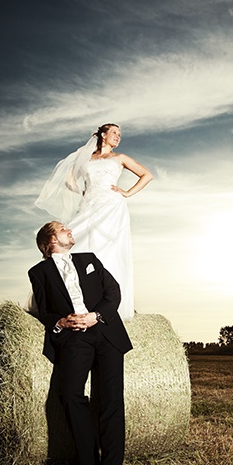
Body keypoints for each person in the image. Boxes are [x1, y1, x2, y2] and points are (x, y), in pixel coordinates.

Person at [28, 221, 133, 465]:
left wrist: (96, 316)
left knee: (111, 402)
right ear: (49, 241)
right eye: (62, 229)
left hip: (106, 332)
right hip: (75, 338)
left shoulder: (89, 260)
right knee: (71, 395)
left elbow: (114, 292)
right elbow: (44, 310)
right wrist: (60, 322)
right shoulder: (38, 272)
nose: (69, 230)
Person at [35, 124, 152, 321]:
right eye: (114, 133)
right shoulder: (86, 158)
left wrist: (127, 192)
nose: (118, 137)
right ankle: (64, 294)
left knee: (109, 248)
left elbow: (147, 175)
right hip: (89, 206)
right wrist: (84, 193)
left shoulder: (120, 158)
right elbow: (69, 178)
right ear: (103, 135)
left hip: (112, 206)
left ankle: (107, 302)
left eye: (120, 134)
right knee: (76, 242)